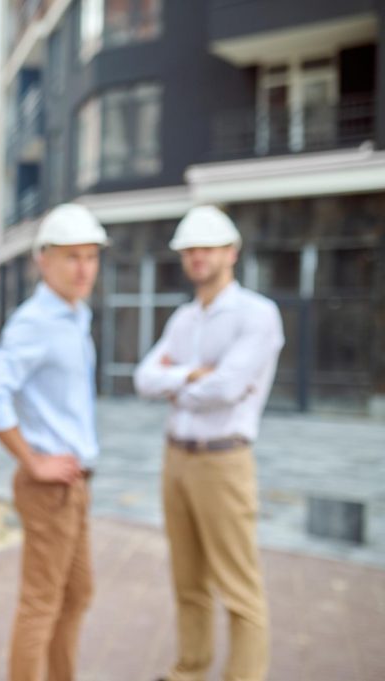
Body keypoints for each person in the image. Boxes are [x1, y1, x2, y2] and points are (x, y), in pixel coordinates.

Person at [134, 205, 283, 681]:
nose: (196, 256)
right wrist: (191, 374)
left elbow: (225, 389)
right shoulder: (183, 319)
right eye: (189, 249)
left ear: (231, 252)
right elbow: (142, 379)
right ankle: (190, 670)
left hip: (224, 460)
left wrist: (175, 382)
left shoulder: (258, 315)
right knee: (188, 580)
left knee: (239, 588)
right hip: (175, 457)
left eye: (206, 247)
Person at [0, 204, 107, 681]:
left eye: (91, 257)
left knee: (77, 595)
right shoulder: (37, 321)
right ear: (43, 260)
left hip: (75, 482)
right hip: (50, 487)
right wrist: (31, 461)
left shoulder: (75, 315)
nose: (84, 268)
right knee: (42, 605)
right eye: (72, 256)